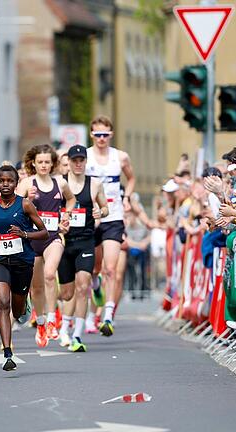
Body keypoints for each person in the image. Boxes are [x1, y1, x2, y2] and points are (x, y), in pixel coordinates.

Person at [0, 165, 48, 371]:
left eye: (10, 181)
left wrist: (24, 234)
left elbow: (43, 232)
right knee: (3, 302)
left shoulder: (25, 205)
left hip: (23, 262)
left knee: (17, 311)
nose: (5, 184)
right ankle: (8, 352)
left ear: (16, 184)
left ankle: (24, 302)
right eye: (1, 181)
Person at [16, 144, 76, 347]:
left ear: (53, 164)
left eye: (47, 162)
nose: (43, 165)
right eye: (40, 162)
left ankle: (51, 319)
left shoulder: (60, 182)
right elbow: (14, 207)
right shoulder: (26, 183)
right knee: (37, 286)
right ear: (33, 163)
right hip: (31, 239)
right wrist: (28, 199)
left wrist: (66, 215)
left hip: (53, 237)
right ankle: (40, 322)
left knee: (50, 274)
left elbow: (71, 200)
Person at [85, 115, 136, 337]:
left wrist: (128, 197)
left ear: (111, 135)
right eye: (98, 135)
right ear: (91, 135)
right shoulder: (84, 157)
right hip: (91, 217)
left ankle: (107, 315)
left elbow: (131, 178)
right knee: (94, 270)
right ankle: (96, 287)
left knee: (111, 269)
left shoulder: (120, 157)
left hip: (113, 217)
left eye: (105, 135)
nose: (102, 139)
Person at [57, 145, 108, 352]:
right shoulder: (60, 184)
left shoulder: (94, 184)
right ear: (68, 161)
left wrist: (101, 213)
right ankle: (64, 325)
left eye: (81, 160)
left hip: (86, 240)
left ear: (86, 161)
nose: (78, 164)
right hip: (64, 241)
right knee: (67, 293)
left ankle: (77, 334)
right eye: (74, 160)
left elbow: (105, 207)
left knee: (82, 285)